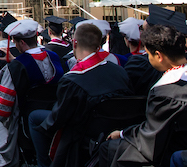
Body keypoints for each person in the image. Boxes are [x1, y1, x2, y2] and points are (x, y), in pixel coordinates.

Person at [99, 24, 187, 167]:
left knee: (108, 149)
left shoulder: (164, 93)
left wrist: (122, 134)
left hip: (176, 155)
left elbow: (151, 138)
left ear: (158, 56)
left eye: (149, 54)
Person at [28, 23, 133, 167]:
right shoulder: (120, 71)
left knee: (35, 118)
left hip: (82, 134)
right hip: (113, 129)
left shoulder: (72, 80)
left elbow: (59, 119)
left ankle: (43, 164)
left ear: (75, 42)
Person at [0, 19, 65, 167]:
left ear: (20, 42)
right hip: (54, 116)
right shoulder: (54, 57)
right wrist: (15, 60)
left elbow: (1, 108)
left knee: (4, 124)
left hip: (25, 122)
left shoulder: (16, 68)